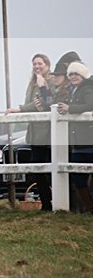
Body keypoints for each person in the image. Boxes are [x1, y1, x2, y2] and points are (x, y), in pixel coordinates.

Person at [6, 54, 55, 210]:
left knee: (49, 168)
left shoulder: (51, 81)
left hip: (47, 132)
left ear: (47, 65)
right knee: (37, 169)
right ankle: (46, 202)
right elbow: (32, 103)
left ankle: (55, 201)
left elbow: (44, 104)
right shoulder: (32, 83)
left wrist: (20, 109)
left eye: (40, 63)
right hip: (34, 131)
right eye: (34, 64)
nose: (37, 66)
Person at [57, 61, 93, 213]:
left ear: (82, 75)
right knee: (77, 177)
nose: (73, 77)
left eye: (76, 73)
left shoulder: (87, 88)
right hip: (78, 141)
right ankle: (89, 208)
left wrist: (69, 108)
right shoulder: (73, 90)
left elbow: (90, 105)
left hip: (88, 140)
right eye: (70, 74)